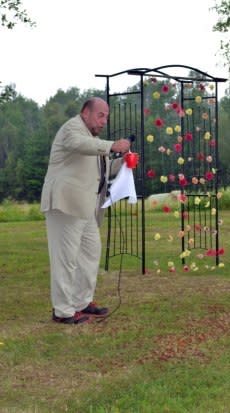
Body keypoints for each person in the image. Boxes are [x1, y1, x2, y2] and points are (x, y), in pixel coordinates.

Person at [40, 97, 131, 324]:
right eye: (100, 115)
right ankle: (63, 311)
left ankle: (82, 302)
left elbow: (104, 169)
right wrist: (112, 145)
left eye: (106, 117)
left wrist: (123, 162)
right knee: (65, 259)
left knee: (91, 254)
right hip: (65, 204)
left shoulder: (93, 140)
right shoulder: (71, 129)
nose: (104, 121)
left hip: (85, 208)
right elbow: (79, 145)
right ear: (85, 113)